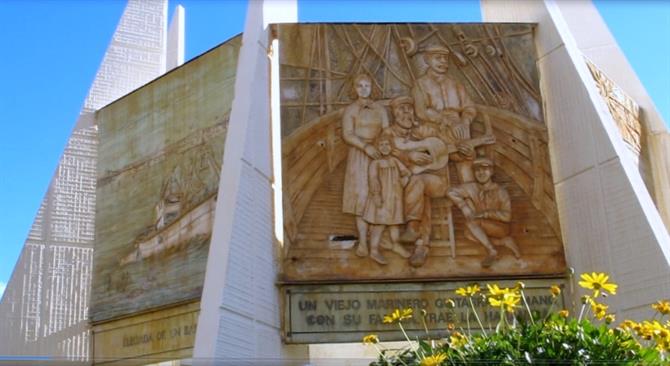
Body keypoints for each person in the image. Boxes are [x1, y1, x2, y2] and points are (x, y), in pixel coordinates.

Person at [385, 96, 453, 267]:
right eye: (401, 109)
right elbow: (383, 150)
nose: (406, 113)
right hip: (398, 184)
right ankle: (421, 245)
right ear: (394, 113)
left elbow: (447, 148)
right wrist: (409, 156)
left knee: (417, 182)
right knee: (420, 190)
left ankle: (413, 228)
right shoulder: (388, 133)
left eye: (409, 108)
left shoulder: (426, 130)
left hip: (437, 181)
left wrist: (462, 149)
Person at [412, 46, 479, 183]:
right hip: (434, 126)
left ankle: (469, 188)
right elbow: (421, 111)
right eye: (438, 58)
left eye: (445, 58)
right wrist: (444, 120)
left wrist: (465, 121)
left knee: (466, 151)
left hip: (459, 126)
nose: (443, 62)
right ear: (428, 60)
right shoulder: (420, 84)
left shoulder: (456, 84)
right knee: (457, 148)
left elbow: (469, 107)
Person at [342, 73, 389, 257]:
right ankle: (362, 242)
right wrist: (365, 146)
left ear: (372, 88)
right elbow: (348, 134)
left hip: (378, 154)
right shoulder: (351, 110)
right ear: (354, 89)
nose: (363, 89)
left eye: (366, 85)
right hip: (359, 155)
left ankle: (375, 246)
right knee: (361, 198)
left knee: (380, 196)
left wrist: (382, 146)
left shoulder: (380, 109)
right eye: (359, 86)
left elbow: (387, 131)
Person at [447, 158, 520, 268]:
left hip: (500, 227)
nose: (481, 173)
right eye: (477, 170)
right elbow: (450, 192)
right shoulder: (471, 187)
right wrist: (464, 207)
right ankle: (503, 243)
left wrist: (486, 213)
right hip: (481, 225)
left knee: (471, 224)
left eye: (484, 169)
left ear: (491, 172)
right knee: (468, 233)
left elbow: (507, 216)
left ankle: (491, 251)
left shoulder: (500, 191)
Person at [362, 132, 412, 264]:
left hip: (394, 198)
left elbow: (406, 172)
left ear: (391, 146)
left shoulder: (394, 161)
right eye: (381, 145)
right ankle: (374, 250)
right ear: (377, 147)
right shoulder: (375, 163)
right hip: (382, 198)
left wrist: (404, 180)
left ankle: (395, 244)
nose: (384, 147)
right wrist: (377, 195)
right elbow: (373, 180)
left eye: (387, 144)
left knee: (394, 224)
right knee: (380, 224)